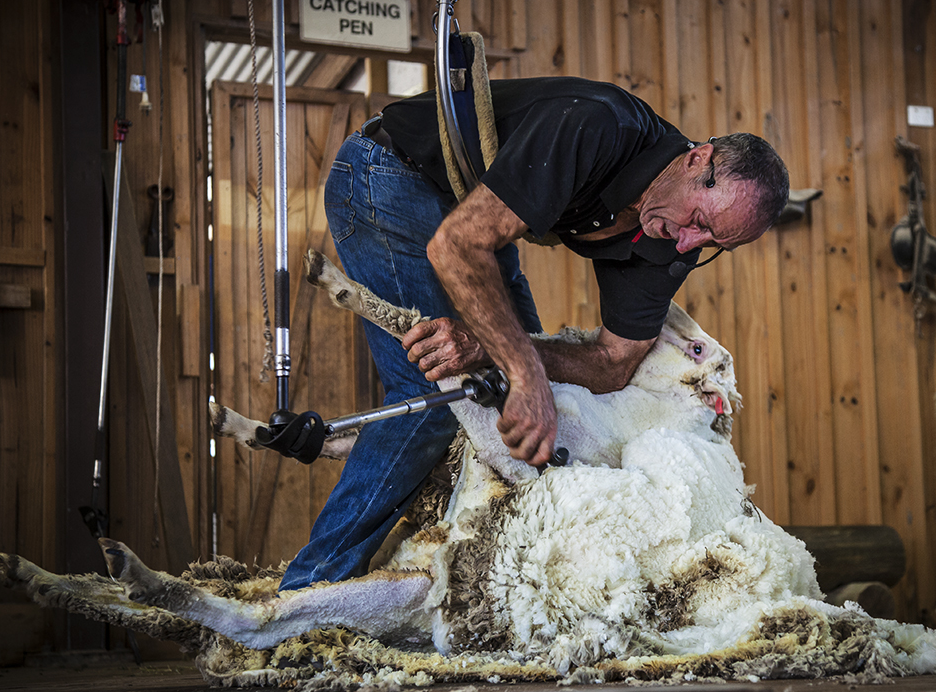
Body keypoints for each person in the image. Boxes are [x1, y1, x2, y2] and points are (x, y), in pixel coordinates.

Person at [278, 76, 789, 590]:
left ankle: (492, 594)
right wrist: (520, 368)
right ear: (697, 159)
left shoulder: (672, 240)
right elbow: (457, 246)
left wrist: (494, 353)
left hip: (476, 211)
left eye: (714, 241)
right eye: (698, 219)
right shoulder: (598, 125)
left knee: (516, 398)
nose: (687, 242)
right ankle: (306, 595)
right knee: (434, 392)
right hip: (388, 169)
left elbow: (612, 363)